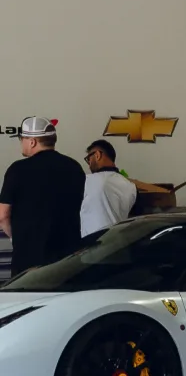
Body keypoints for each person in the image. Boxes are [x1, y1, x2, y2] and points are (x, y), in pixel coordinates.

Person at [0, 119, 86, 279]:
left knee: (28, 301)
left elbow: (3, 214)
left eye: (22, 139)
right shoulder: (74, 167)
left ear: (32, 142)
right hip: (68, 257)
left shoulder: (18, 169)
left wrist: (15, 237)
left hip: (29, 258)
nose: (21, 144)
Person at [79, 137, 138, 240]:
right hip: (117, 245)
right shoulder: (130, 186)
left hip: (91, 247)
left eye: (89, 159)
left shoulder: (87, 181)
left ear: (97, 155)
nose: (89, 164)